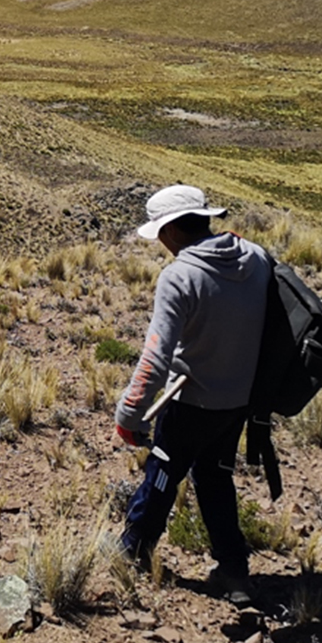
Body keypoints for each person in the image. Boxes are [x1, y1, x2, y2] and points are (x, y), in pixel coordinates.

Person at [113, 184, 270, 605]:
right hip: (238, 401)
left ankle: (133, 552)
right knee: (216, 478)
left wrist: (130, 414)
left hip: (190, 400)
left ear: (171, 231)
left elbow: (155, 358)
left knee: (162, 474)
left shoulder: (180, 275)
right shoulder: (255, 257)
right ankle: (234, 571)